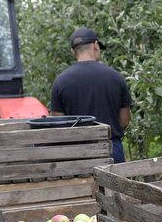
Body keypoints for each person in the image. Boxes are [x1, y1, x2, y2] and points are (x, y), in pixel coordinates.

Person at [50, 27, 132, 163]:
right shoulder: (116, 77)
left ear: (72, 51)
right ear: (95, 46)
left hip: (77, 152)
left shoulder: (60, 81)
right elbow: (124, 120)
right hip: (111, 148)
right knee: (115, 184)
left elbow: (59, 123)